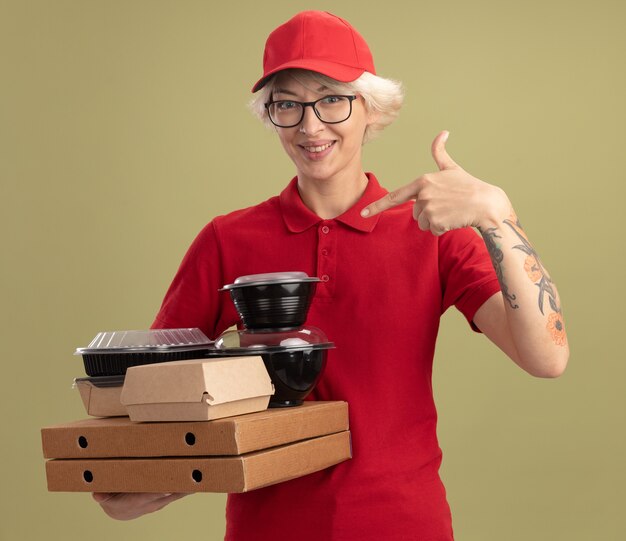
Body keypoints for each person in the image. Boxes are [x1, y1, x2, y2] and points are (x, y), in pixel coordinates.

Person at [92, 10, 569, 540]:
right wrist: (130, 483)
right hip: (265, 529)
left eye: (331, 99)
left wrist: (496, 216)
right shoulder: (227, 240)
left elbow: (546, 358)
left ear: (371, 109)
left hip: (404, 524)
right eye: (288, 104)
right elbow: (151, 389)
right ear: (270, 115)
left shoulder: (431, 231)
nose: (310, 125)